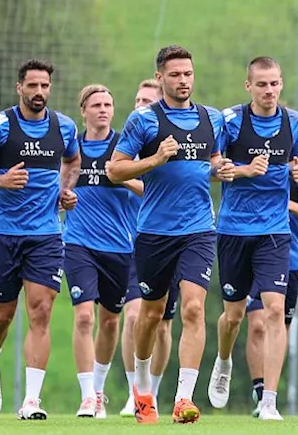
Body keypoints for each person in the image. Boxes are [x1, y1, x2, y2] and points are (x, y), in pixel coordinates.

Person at [108, 45, 233, 424]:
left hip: (198, 229)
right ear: (160, 77)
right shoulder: (143, 120)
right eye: (176, 75)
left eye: (188, 74)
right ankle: (143, 388)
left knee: (194, 308)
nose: (184, 81)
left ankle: (183, 399)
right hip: (154, 232)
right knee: (151, 313)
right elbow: (115, 170)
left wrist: (221, 168)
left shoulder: (212, 118)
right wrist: (156, 160)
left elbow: (210, 161)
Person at [0, 59, 81, 420]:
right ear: (19, 88)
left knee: (41, 311)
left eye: (45, 86)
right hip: (3, 235)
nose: (39, 92)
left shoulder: (64, 126)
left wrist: (65, 189)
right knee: (2, 316)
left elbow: (73, 162)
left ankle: (31, 401)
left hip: (46, 235)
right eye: (32, 86)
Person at [207, 57, 298, 421]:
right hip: (233, 230)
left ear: (282, 84)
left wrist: (297, 169)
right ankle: (223, 360)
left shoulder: (293, 121)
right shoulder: (229, 121)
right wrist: (244, 170)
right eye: (262, 84)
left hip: (275, 231)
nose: (269, 91)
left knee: (274, 312)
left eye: (275, 84)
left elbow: (296, 160)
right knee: (233, 316)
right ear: (248, 85)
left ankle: (269, 401)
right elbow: (212, 169)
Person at [64, 85, 144, 418]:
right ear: (83, 110)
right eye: (96, 105)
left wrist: (122, 176)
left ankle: (98, 389)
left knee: (110, 322)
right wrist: (63, 197)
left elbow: (146, 187)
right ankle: (86, 396)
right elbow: (59, 187)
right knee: (84, 316)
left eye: (108, 104)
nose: (103, 110)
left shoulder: (123, 147)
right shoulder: (73, 149)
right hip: (79, 243)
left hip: (120, 247)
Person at [242, 156, 298, 417]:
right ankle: (261, 395)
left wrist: (288, 205)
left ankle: (271, 395)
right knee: (256, 324)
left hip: (289, 259)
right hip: (252, 254)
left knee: (278, 323)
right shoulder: (251, 163)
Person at [118, 80, 176, 418]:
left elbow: (158, 191)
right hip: (128, 244)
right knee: (134, 316)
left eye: (147, 100)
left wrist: (131, 176)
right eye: (137, 98)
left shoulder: (165, 144)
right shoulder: (126, 143)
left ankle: (152, 392)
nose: (140, 105)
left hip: (163, 238)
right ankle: (134, 393)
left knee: (164, 324)